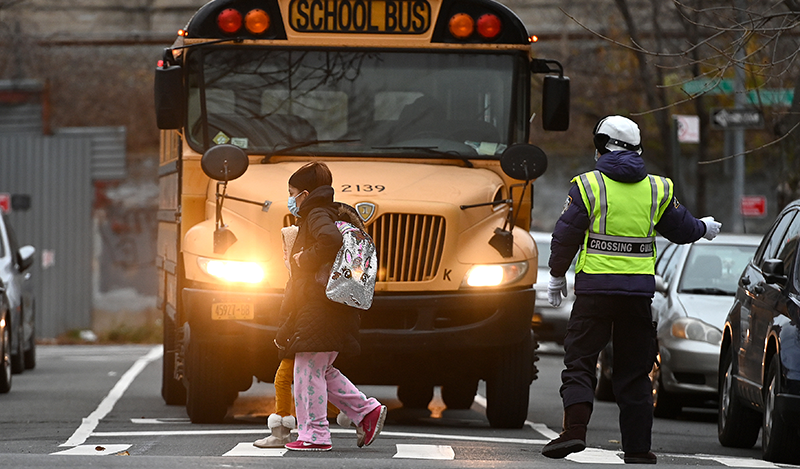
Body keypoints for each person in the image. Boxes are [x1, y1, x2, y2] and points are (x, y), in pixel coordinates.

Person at [541, 115, 722, 465]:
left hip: (594, 295)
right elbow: (681, 228)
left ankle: (574, 432)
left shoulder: (588, 186)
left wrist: (556, 276)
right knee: (635, 372)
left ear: (603, 146)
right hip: (638, 297)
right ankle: (638, 449)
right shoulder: (657, 188)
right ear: (636, 149)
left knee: (580, 362)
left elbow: (565, 236)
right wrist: (704, 227)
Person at [275, 161, 387, 452]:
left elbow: (331, 239)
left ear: (305, 194)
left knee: (306, 370)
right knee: (321, 369)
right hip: (329, 305)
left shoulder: (315, 214)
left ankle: (314, 434)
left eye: (292, 192)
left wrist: (302, 259)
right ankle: (366, 412)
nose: (291, 199)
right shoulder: (330, 211)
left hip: (320, 305)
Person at [253, 226, 362, 448]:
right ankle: (349, 412)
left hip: (301, 338)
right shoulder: (302, 275)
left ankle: (281, 430)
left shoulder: (299, 278)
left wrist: (282, 335)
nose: (284, 254)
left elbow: (293, 312)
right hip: (303, 337)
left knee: (284, 379)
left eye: (287, 249)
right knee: (318, 381)